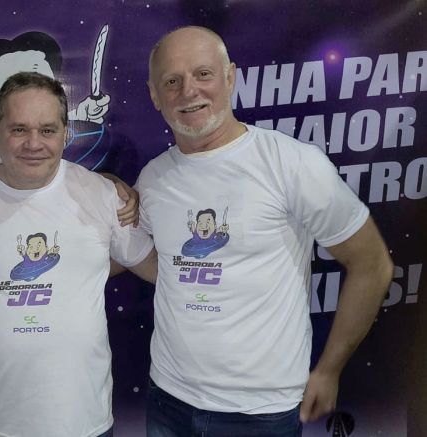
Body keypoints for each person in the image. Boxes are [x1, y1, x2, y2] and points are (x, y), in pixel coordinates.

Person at [136, 26, 394, 436]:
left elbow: (372, 265)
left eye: (203, 74)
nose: (189, 91)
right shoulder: (153, 179)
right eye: (172, 81)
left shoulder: (291, 164)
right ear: (154, 95)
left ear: (230, 77)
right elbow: (152, 258)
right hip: (168, 399)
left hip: (260, 413)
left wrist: (329, 369)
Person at [0, 72, 157, 437]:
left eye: (47, 130)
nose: (34, 143)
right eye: (19, 129)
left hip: (84, 422)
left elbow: (156, 268)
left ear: (65, 134)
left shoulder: (101, 194)